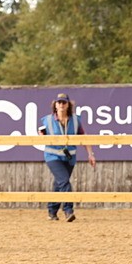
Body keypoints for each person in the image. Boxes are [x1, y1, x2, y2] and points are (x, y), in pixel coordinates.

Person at [37, 92, 96, 222]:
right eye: (59, 102)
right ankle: (68, 210)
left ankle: (52, 211)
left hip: (69, 157)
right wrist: (41, 135)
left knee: (59, 184)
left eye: (64, 102)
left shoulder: (75, 120)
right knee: (64, 182)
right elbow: (41, 135)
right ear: (55, 105)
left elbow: (84, 138)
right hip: (52, 156)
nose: (61, 104)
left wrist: (90, 154)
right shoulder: (47, 120)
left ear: (68, 104)